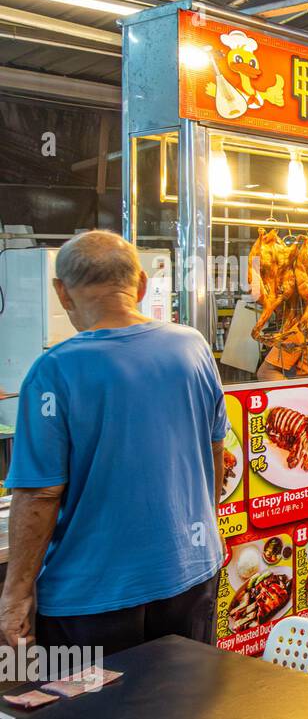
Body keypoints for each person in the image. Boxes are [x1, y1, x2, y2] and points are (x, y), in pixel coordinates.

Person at [0, 232, 226, 656]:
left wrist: (15, 594)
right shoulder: (192, 346)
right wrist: (208, 531)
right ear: (141, 284)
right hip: (192, 572)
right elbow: (215, 451)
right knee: (188, 709)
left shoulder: (54, 370)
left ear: (62, 292)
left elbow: (39, 492)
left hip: (92, 594)